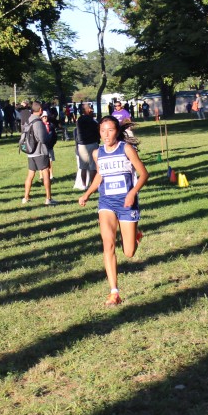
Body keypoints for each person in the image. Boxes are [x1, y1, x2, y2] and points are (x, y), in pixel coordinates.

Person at [78, 115, 149, 306]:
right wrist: (87, 194)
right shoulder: (97, 153)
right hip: (106, 203)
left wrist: (133, 192)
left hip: (126, 203)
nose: (106, 135)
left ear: (117, 132)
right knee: (108, 244)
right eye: (103, 131)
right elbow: (100, 176)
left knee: (129, 252)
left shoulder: (126, 149)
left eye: (110, 130)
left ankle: (136, 234)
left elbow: (144, 174)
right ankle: (114, 292)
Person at [22, 101, 57, 205]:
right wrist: (49, 135)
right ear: (40, 110)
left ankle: (26, 197)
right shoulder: (38, 122)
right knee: (46, 173)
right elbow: (43, 139)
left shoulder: (28, 120)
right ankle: (48, 198)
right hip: (40, 151)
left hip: (30, 152)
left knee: (30, 175)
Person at [75, 103, 100, 189]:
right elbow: (97, 128)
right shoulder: (90, 120)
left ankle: (84, 185)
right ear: (87, 110)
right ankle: (93, 185)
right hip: (91, 143)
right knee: (93, 166)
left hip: (81, 144)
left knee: (83, 167)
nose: (91, 109)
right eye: (90, 108)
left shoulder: (79, 120)